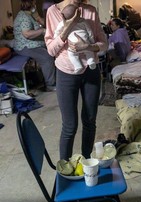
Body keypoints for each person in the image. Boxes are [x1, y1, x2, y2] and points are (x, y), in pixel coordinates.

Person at [45, 0, 108, 160]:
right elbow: (52, 50)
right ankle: (64, 168)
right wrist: (69, 25)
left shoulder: (90, 11)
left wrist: (86, 46)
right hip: (66, 72)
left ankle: (87, 162)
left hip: (90, 71)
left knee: (89, 120)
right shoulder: (52, 12)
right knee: (70, 125)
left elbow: (104, 44)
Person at [13, 0, 56, 92]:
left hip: (34, 44)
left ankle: (53, 78)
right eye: (34, 3)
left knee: (54, 49)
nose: (35, 5)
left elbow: (46, 24)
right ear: (31, 4)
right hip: (25, 46)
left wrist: (38, 18)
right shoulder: (24, 16)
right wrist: (42, 31)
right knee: (47, 57)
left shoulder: (30, 15)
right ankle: (50, 85)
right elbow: (27, 34)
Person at [54, 4, 96, 74]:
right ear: (78, 13)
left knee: (72, 55)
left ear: (63, 17)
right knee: (89, 52)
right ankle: (91, 61)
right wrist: (92, 41)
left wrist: (55, 37)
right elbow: (90, 32)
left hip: (72, 46)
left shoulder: (63, 23)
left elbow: (57, 31)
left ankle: (78, 66)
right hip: (85, 42)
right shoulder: (83, 21)